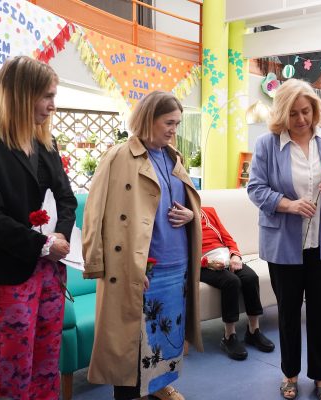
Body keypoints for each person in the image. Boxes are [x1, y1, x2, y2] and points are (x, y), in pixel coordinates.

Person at [0, 56, 75, 400]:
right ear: (21, 94)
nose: (52, 106)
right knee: (14, 366)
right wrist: (41, 245)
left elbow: (66, 199)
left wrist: (61, 236)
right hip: (9, 271)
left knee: (47, 360)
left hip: (51, 271)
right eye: (46, 96)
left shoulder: (46, 144)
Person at [82, 91, 202, 400]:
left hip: (177, 264)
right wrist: (98, 261)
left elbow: (187, 200)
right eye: (168, 123)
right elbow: (95, 213)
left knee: (167, 336)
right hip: (140, 265)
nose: (174, 130)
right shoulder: (119, 155)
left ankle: (160, 386)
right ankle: (131, 394)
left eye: (177, 123)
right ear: (149, 119)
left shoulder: (174, 156)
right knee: (131, 344)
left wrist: (191, 214)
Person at [247, 79, 321, 400]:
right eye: (293, 113)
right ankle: (289, 374)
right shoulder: (268, 145)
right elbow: (255, 188)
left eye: (306, 111)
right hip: (283, 246)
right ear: (282, 113)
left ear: (315, 110)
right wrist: (288, 204)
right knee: (289, 314)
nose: (301, 120)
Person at [199, 206, 275, 360]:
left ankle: (253, 331)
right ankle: (229, 336)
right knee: (231, 281)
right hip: (202, 263)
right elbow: (181, 252)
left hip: (224, 256)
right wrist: (207, 262)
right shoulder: (176, 219)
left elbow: (227, 238)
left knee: (250, 278)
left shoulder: (208, 211)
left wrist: (235, 256)